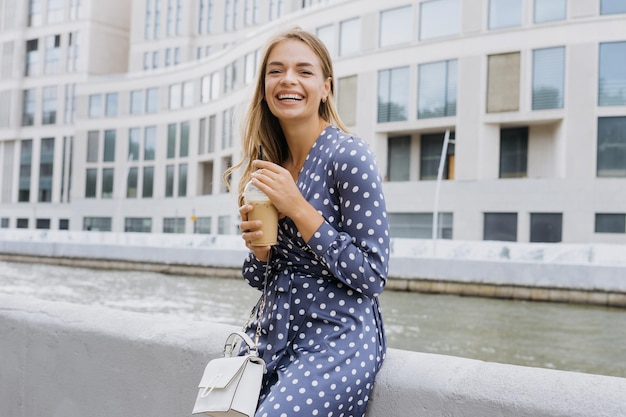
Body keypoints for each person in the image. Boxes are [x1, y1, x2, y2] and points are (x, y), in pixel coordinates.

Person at [224, 26, 390, 417]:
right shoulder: (267, 166)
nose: (288, 80)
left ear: (326, 87)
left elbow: (372, 274)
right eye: (276, 70)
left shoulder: (349, 157)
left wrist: (298, 207)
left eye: (304, 70)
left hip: (336, 340)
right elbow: (261, 276)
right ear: (264, 85)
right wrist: (260, 254)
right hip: (270, 336)